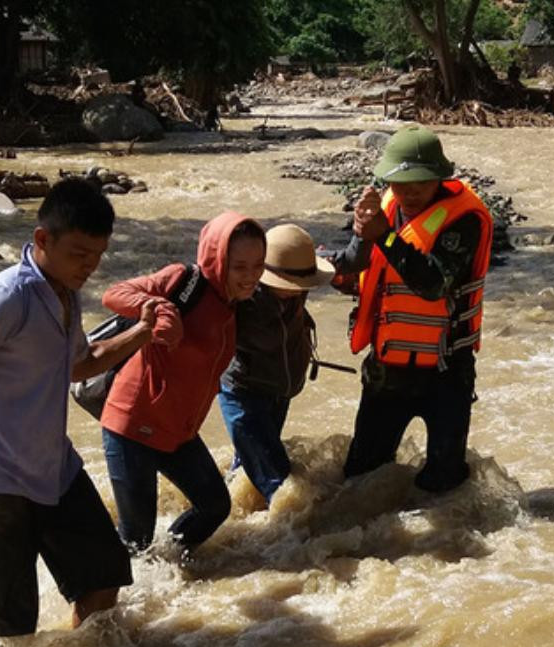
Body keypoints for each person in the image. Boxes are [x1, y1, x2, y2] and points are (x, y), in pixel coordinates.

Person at [0, 178, 152, 647]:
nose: (91, 267)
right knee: (11, 634)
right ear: (42, 240)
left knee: (104, 584)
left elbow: (78, 364)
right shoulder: (4, 300)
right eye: (80, 253)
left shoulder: (65, 290)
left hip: (54, 469)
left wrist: (142, 333)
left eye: (99, 255)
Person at [330, 124, 494, 493]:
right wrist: (323, 266)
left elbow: (433, 283)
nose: (409, 191)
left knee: (445, 482)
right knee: (360, 477)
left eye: (420, 182)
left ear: (439, 176)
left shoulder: (464, 219)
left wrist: (383, 236)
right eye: (400, 184)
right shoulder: (385, 205)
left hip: (446, 370)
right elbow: (359, 266)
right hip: (387, 369)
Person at [99, 212, 267, 554]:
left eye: (258, 265)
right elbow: (114, 293)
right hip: (133, 426)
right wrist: (158, 308)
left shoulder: (234, 302)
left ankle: (171, 572)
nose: (251, 277)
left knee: (216, 507)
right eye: (240, 267)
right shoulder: (183, 280)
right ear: (217, 259)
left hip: (178, 433)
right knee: (137, 539)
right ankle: (111, 599)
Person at [218, 223, 333, 505]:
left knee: (249, 466)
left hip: (279, 393)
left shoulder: (300, 281)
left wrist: (365, 232)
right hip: (244, 394)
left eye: (302, 285)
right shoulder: (241, 298)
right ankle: (289, 541)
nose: (297, 291)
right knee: (278, 481)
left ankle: (244, 517)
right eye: (289, 285)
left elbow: (351, 260)